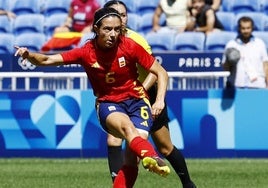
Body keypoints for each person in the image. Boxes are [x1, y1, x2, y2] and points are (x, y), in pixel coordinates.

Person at [15, 7, 170, 188]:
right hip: (109, 104)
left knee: (131, 160)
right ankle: (151, 156)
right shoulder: (85, 52)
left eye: (117, 29)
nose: (113, 34)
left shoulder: (129, 46)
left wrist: (159, 100)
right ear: (96, 29)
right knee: (130, 131)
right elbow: (47, 60)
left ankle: (146, 156)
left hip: (137, 101)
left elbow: (161, 72)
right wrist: (29, 55)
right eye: (107, 29)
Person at [104, 1, 196, 188]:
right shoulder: (103, 42)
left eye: (123, 15)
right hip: (122, 100)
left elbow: (156, 72)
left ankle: (188, 184)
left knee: (165, 147)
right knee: (115, 141)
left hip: (146, 97)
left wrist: (141, 95)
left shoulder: (137, 41)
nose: (121, 19)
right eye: (116, 14)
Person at [222, 16, 268, 89]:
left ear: (252, 28)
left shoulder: (260, 43)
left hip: (257, 85)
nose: (246, 31)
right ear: (239, 29)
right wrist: (229, 60)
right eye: (243, 28)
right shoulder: (231, 44)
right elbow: (225, 68)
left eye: (248, 28)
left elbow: (265, 65)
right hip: (237, 85)